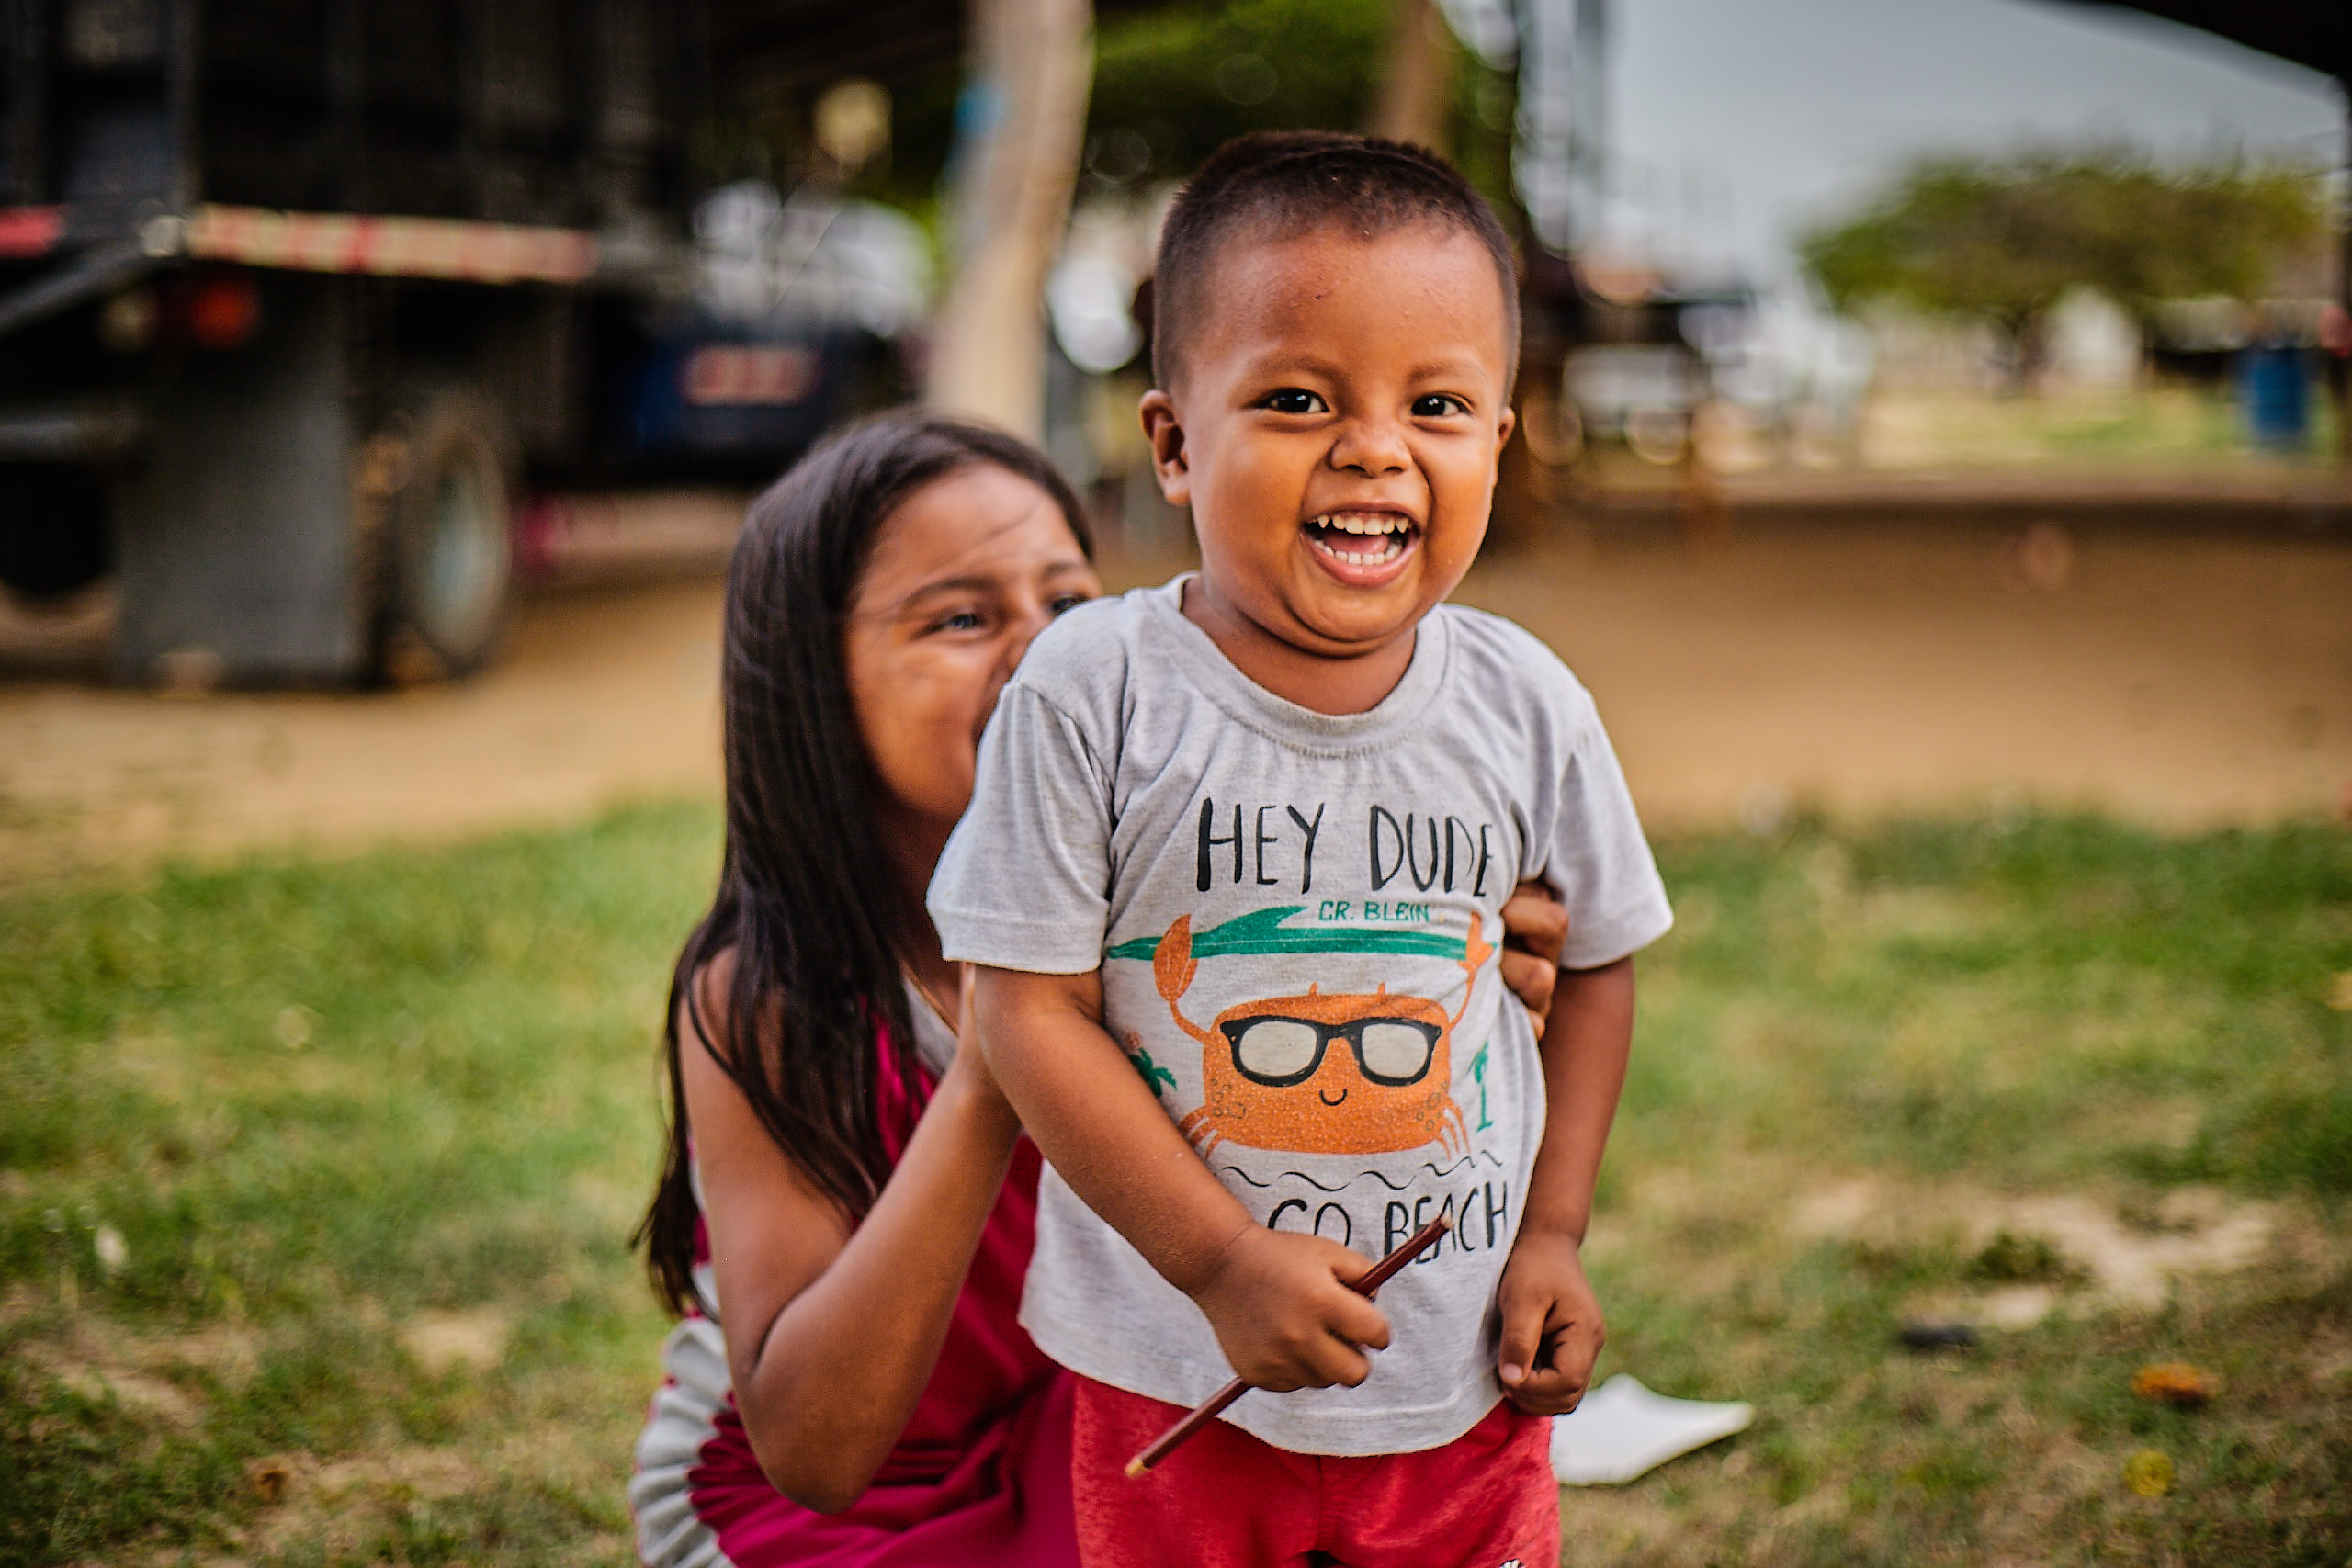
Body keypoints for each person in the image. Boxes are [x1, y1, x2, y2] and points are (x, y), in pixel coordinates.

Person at [628, 409, 1573, 1567]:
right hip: (828, 1517)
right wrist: (1002, 1054)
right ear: (818, 688)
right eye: (962, 619)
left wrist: (1454, 977)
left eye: (1070, 606)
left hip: (1088, 1430)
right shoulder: (767, 991)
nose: (1042, 654)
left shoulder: (1191, 922)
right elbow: (817, 1455)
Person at [932, 133, 1674, 1568]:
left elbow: (1593, 963)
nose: (1375, 446)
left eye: (1439, 403)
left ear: (1501, 443)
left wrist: (1553, 1236)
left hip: (1462, 1390)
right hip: (1176, 1389)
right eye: (1295, 396)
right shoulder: (1095, 690)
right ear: (1171, 441)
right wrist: (1217, 1262)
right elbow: (1022, 1006)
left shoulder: (1530, 704)